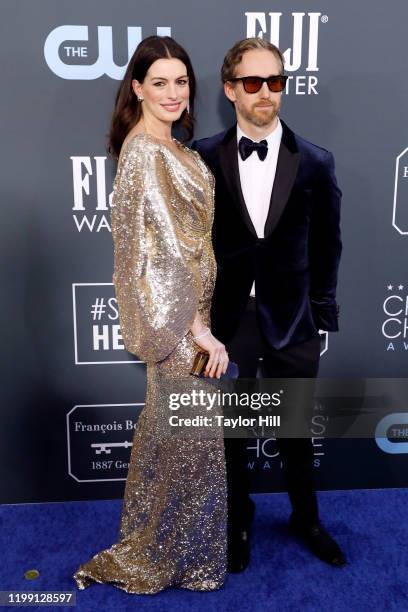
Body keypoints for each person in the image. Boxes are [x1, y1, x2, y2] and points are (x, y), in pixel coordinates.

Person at [73, 35, 229, 594]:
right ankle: (171, 556)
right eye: (158, 82)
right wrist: (199, 332)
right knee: (188, 441)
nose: (172, 92)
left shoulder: (171, 147)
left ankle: (174, 551)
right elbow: (159, 255)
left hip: (190, 318)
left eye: (181, 81)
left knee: (177, 441)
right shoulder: (144, 152)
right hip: (181, 327)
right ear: (136, 88)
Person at [193, 38, 346, 572]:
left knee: (297, 430)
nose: (266, 93)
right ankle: (239, 518)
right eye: (253, 82)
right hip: (227, 322)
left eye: (276, 81)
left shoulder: (315, 163)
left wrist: (322, 318)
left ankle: (306, 518)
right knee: (233, 432)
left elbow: (328, 247)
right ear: (230, 89)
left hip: (295, 320)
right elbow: (190, 246)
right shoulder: (202, 158)